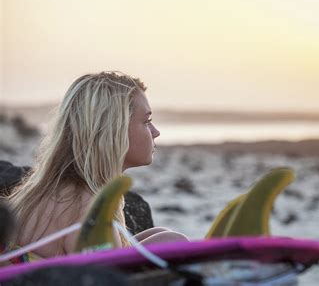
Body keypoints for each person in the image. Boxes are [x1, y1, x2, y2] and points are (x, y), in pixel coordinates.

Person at [6, 71, 188, 259]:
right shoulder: (82, 206)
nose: (156, 132)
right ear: (113, 130)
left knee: (160, 236)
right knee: (174, 242)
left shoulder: (54, 191)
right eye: (147, 121)